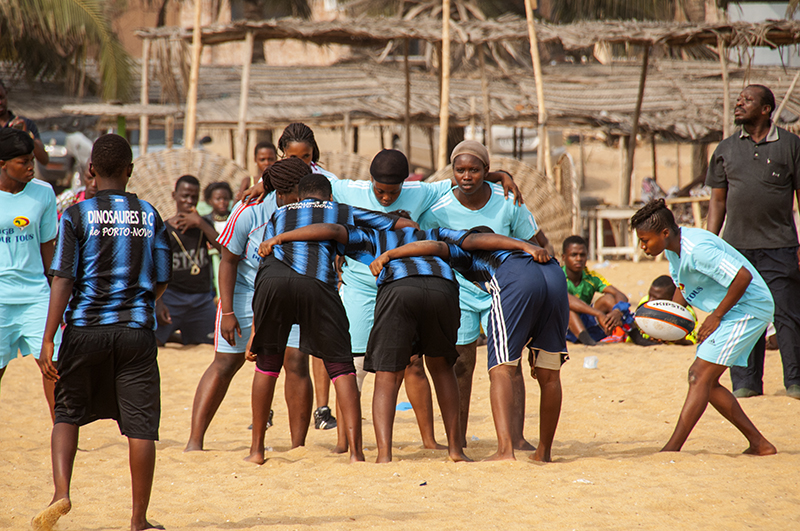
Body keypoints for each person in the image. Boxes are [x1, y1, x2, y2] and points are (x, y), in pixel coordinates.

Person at [32, 133, 172, 531]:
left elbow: (62, 278)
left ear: (91, 169)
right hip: (135, 332)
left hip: (84, 329)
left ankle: (61, 494)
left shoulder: (77, 215)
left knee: (67, 413)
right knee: (140, 427)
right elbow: (163, 278)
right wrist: (139, 299)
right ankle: (139, 520)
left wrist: (49, 337)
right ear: (130, 170)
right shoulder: (150, 214)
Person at [259, 218, 471, 464]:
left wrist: (280, 238)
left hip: (400, 288)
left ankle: (384, 455)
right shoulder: (437, 233)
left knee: (387, 374)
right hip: (442, 288)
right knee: (443, 368)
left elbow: (331, 229)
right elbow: (476, 241)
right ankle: (455, 450)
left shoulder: (376, 236)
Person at [246, 173, 413, 465]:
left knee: (267, 365)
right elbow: (399, 225)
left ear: (299, 197)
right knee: (341, 367)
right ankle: (356, 453)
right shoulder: (339, 210)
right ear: (330, 197)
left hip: (272, 280)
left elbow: (264, 259)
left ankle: (256, 451)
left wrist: (254, 331)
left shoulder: (278, 214)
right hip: (315, 282)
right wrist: (403, 224)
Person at [368, 228, 566, 462]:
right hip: (554, 274)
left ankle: (505, 451)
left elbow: (436, 246)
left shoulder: (466, 249)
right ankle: (544, 452)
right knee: (550, 373)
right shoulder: (518, 247)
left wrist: (389, 254)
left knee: (502, 368)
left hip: (517, 274)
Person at [419, 139, 547, 449]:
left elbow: (537, 241)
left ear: (486, 170)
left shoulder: (508, 201)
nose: (466, 176)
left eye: (474, 170)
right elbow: (423, 244)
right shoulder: (437, 208)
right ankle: (458, 437)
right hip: (457, 292)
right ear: (452, 171)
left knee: (508, 364)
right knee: (460, 364)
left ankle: (516, 438)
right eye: (460, 170)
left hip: (503, 291)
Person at [185, 158, 316, 452]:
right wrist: (228, 311)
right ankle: (194, 442)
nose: (303, 199)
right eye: (298, 193)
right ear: (282, 192)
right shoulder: (249, 211)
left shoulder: (309, 210)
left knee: (296, 361)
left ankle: (299, 447)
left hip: (289, 292)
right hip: (245, 292)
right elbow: (228, 261)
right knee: (226, 362)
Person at [631, 199, 776, 455]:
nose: (643, 246)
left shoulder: (698, 249)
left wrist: (716, 316)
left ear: (664, 233)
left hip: (749, 308)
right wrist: (668, 323)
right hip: (732, 309)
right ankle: (759, 444)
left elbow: (743, 277)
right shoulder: (673, 249)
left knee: (699, 376)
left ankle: (672, 449)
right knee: (705, 382)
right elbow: (682, 286)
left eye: (645, 240)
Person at [706, 84, 800, 400]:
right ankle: (746, 384)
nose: (739, 103)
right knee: (744, 315)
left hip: (781, 246)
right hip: (736, 250)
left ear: (765, 109)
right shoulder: (725, 149)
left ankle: (795, 382)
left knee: (787, 314)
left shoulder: (791, 145)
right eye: (738, 99)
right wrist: (711, 245)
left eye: (747, 100)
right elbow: (717, 202)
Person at [0, 128, 61, 421]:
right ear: (2, 164)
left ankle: (62, 430)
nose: (30, 167)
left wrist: (58, 294)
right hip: (1, 299)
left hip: (37, 296)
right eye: (23, 162)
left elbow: (49, 248)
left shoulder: (43, 193)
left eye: (32, 160)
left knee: (54, 368)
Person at [155, 175, 221, 346]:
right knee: (153, 340)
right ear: (174, 195)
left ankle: (182, 335)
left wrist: (201, 223)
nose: (190, 201)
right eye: (185, 196)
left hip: (201, 299)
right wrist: (158, 303)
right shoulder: (165, 230)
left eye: (194, 197)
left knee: (211, 343)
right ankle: (173, 335)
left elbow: (224, 249)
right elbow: (153, 269)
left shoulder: (203, 225)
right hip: (172, 297)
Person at [561, 235, 648, 346]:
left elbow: (620, 295)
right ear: (564, 257)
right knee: (568, 309)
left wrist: (617, 311)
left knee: (609, 299)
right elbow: (567, 300)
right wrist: (598, 313)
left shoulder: (592, 277)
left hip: (586, 323)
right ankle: (587, 341)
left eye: (582, 255)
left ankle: (636, 336)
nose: (578, 259)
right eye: (574, 255)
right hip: (562, 328)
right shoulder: (556, 275)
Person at [631, 275, 698, 345]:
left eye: (656, 298)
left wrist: (679, 340)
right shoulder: (645, 303)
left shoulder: (686, 313)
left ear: (671, 299)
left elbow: (691, 340)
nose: (650, 300)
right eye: (650, 295)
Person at [0, 79, 48, 165]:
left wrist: (26, 136)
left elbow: (44, 160)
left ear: (6, 94)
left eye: (1, 97)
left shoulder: (25, 124)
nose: (0, 102)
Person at [202, 181, 233, 299]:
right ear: (209, 201)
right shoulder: (204, 222)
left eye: (226, 199)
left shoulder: (235, 219)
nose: (222, 202)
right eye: (218, 199)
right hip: (211, 275)